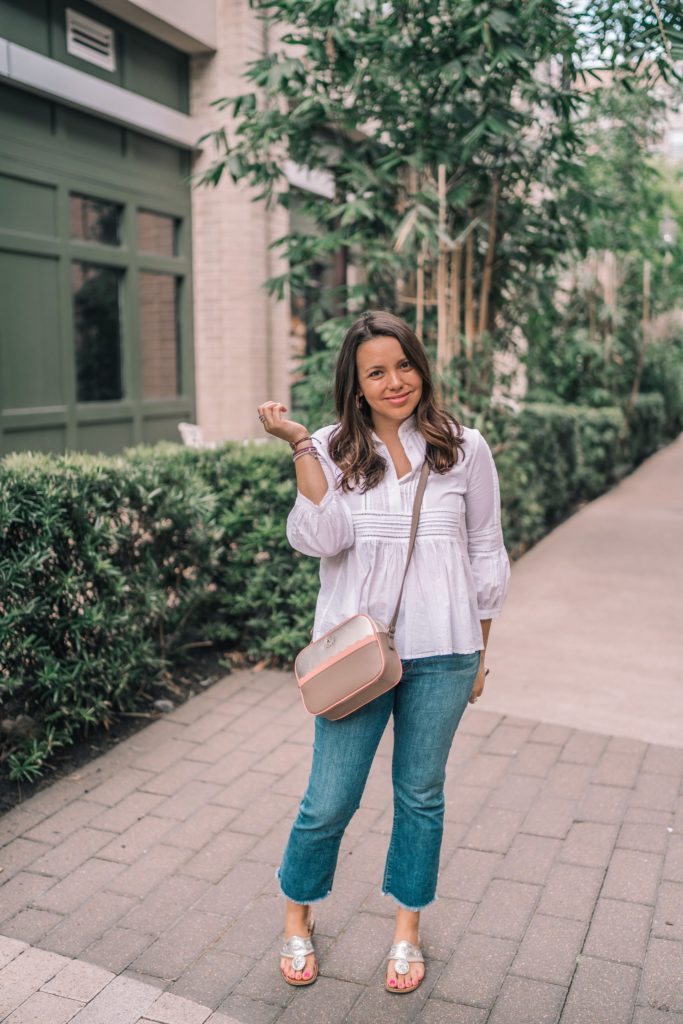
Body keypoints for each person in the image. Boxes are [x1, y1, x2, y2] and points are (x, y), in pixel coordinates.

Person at [257, 310, 510, 994]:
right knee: (328, 799)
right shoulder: (334, 444)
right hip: (355, 657)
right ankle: (296, 916)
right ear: (357, 383)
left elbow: (485, 551)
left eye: (404, 365)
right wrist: (300, 446)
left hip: (445, 650)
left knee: (420, 796)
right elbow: (321, 537)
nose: (395, 381)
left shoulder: (463, 447)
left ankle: (406, 932)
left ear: (420, 367)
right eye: (377, 372)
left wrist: (481, 654)